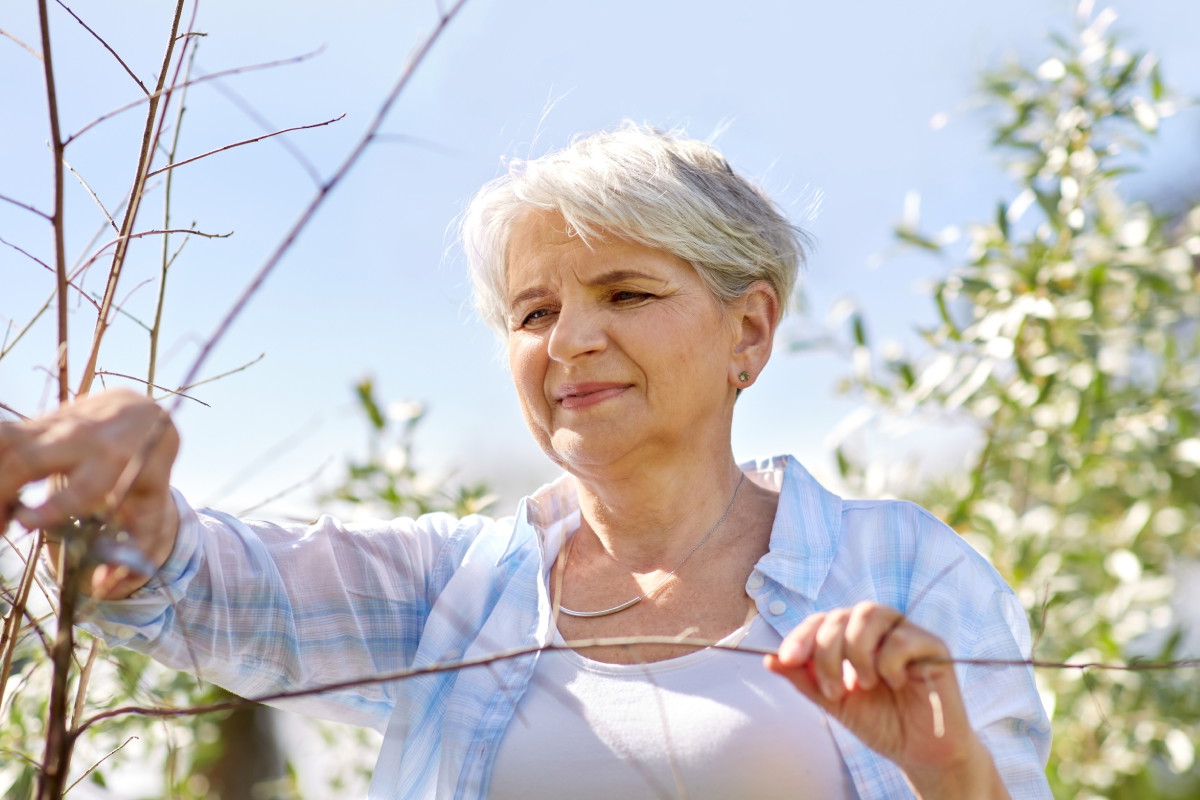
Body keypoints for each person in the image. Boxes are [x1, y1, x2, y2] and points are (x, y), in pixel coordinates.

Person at [0, 123, 1051, 799]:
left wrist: (950, 771)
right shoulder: (452, 596)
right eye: (534, 312)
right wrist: (121, 493)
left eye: (626, 292)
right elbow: (200, 584)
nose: (570, 341)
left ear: (751, 329)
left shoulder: (908, 577)